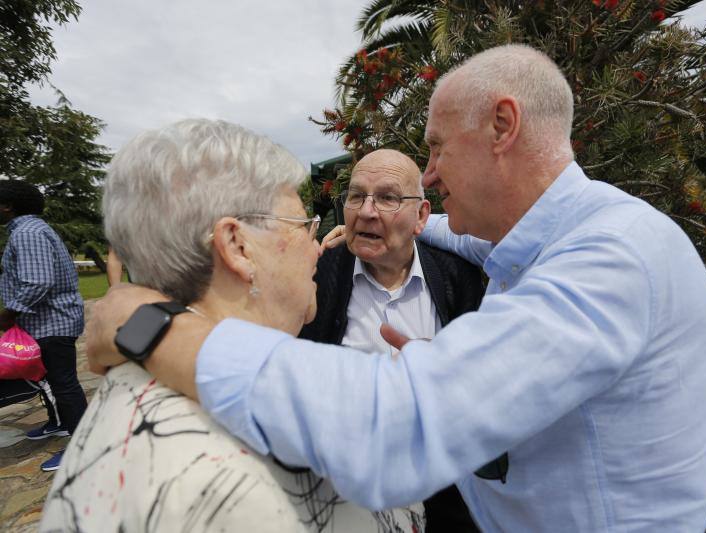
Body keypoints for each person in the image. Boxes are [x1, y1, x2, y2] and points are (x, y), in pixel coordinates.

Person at [86, 45, 706, 531]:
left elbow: (394, 428)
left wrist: (156, 327)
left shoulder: (612, 259)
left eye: (438, 149)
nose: (435, 171)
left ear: (503, 126)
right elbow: (460, 233)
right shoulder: (551, 236)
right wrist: (390, 224)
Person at [40, 119, 422, 532]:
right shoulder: (221, 489)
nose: (318, 247)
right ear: (238, 247)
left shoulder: (141, 375)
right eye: (303, 226)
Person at [300, 148, 483, 531]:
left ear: (421, 216)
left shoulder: (456, 277)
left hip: (444, 490)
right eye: (355, 196)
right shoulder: (316, 277)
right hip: (345, 495)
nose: (366, 211)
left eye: (387, 198)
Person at [0, 180, 86, 472]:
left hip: (53, 323)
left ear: (8, 205)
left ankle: (82, 447)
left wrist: (10, 313)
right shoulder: (31, 230)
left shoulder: (27, 233)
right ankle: (58, 424)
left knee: (64, 384)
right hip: (46, 322)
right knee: (48, 379)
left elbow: (38, 281)